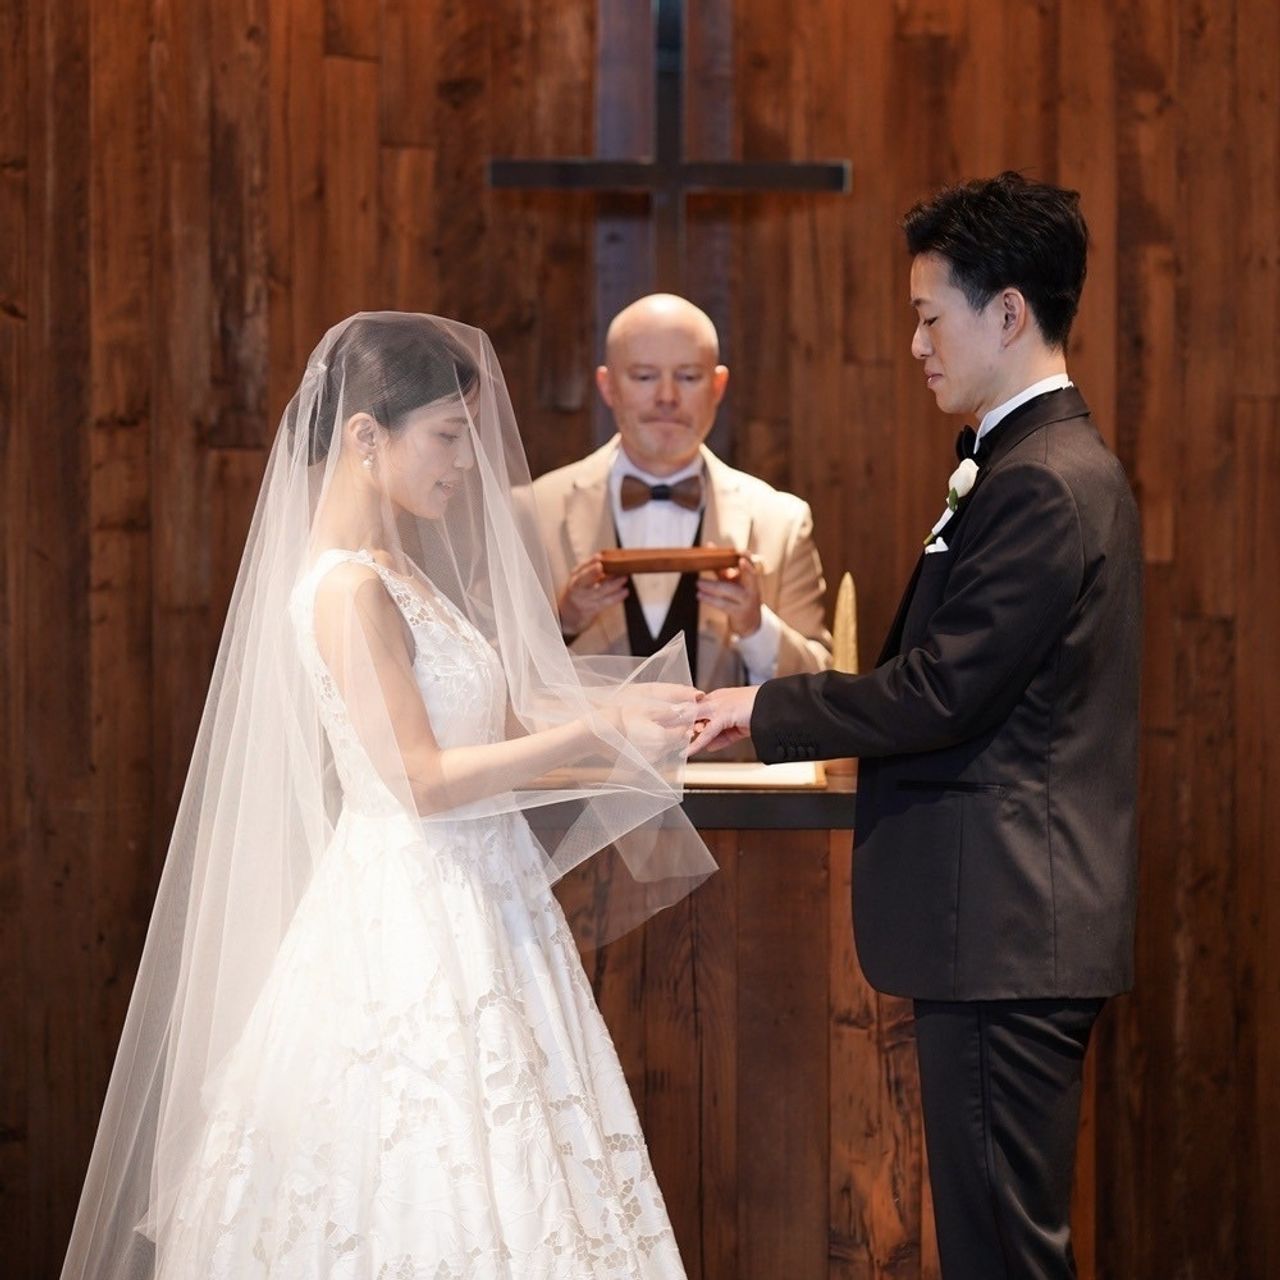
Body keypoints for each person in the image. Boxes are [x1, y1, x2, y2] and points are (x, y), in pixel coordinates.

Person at [61, 313, 717, 1280]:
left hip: (485, 904)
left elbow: (487, 732)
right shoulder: (346, 591)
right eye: (447, 436)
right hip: (409, 913)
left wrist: (631, 719)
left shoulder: (399, 570)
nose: (466, 463)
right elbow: (419, 780)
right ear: (366, 436)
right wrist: (596, 733)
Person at [692, 173, 1142, 1279]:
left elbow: (943, 691)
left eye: (929, 315)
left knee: (1001, 1252)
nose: (915, 344)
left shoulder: (1042, 479)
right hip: (1001, 927)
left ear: (1008, 311)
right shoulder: (1026, 462)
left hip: (1005, 925)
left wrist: (760, 707)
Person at [532, 293, 831, 693]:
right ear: (607, 386)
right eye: (644, 377)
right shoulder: (531, 511)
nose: (667, 397)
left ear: (718, 386)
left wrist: (755, 627)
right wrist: (563, 621)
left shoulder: (781, 522)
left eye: (688, 377)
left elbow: (821, 686)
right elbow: (492, 676)